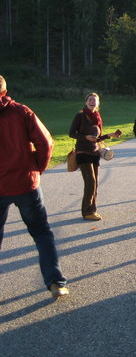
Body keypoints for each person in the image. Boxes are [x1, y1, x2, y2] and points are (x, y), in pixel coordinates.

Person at [0, 75, 69, 299]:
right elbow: (46, 142)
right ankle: (56, 282)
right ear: (4, 90)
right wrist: (37, 168)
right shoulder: (22, 112)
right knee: (41, 233)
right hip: (25, 183)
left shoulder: (22, 112)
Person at [69, 92, 121, 221]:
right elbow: (71, 133)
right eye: (90, 99)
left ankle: (92, 209)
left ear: (98, 103)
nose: (92, 101)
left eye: (95, 100)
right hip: (82, 152)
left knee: (95, 183)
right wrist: (85, 137)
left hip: (94, 153)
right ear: (86, 102)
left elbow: (97, 139)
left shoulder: (97, 117)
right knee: (90, 182)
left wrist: (109, 135)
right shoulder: (80, 115)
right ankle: (87, 212)